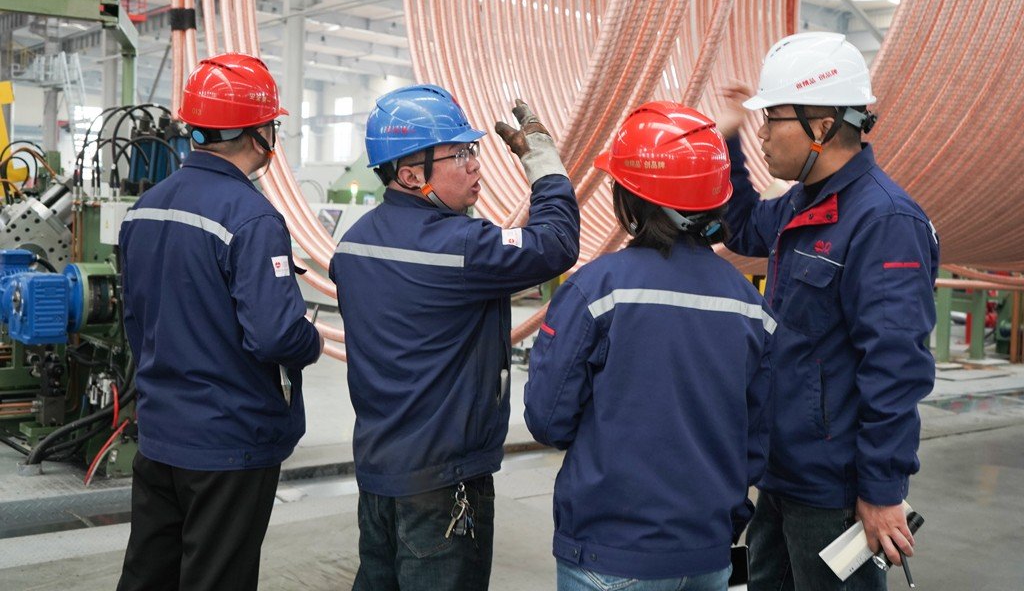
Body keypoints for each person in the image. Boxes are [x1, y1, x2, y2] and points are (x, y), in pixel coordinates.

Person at [329, 85, 580, 591]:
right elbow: (556, 243)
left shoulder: (352, 247)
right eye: (459, 154)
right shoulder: (462, 247)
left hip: (379, 473)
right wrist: (543, 161)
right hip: (445, 482)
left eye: (473, 151)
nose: (475, 165)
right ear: (410, 175)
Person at [524, 101, 774, 591]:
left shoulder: (596, 291)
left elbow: (548, 420)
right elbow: (757, 444)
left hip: (608, 554)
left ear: (632, 199)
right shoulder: (750, 306)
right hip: (708, 557)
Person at [721, 32, 938, 591]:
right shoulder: (803, 205)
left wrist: (882, 491)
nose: (763, 134)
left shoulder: (884, 222)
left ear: (821, 127)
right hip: (780, 472)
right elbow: (740, 225)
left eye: (772, 120)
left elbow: (895, 368)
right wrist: (728, 141)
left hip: (833, 491)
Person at [116, 53, 323, 591]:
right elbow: (276, 335)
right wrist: (311, 340)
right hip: (230, 442)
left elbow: (135, 319)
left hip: (160, 434)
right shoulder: (251, 217)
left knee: (148, 575)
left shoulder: (145, 208)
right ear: (258, 132)